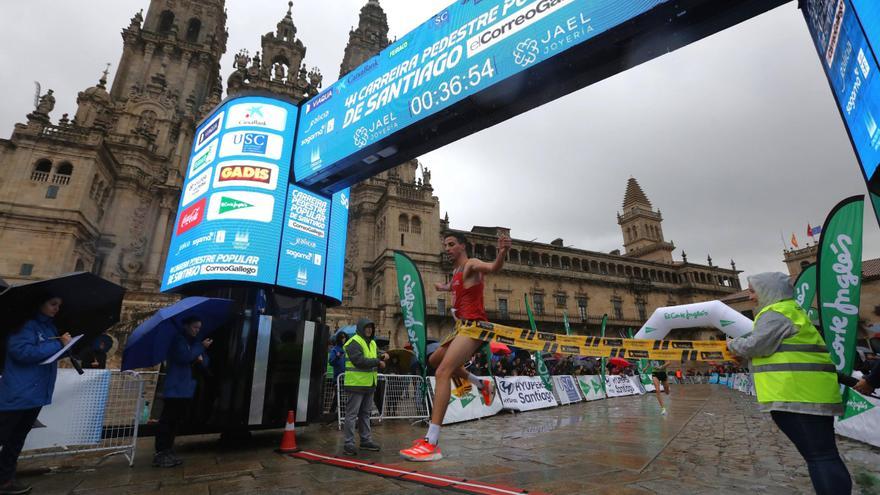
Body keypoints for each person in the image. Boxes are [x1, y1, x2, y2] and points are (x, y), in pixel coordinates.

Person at [727, 272, 850, 495]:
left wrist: (732, 345)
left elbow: (755, 346)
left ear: (769, 291)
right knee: (824, 455)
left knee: (820, 457)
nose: (751, 297)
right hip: (809, 393)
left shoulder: (775, 313)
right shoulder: (792, 312)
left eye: (753, 291)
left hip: (797, 395)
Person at [399, 232, 510, 462]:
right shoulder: (457, 273)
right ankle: (482, 383)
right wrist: (443, 288)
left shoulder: (471, 265)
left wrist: (502, 253)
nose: (447, 248)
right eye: (445, 245)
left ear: (462, 246)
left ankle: (431, 442)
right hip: (460, 328)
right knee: (434, 361)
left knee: (443, 372)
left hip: (475, 327)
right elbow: (454, 285)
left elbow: (492, 267)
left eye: (451, 244)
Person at [0, 295, 71, 495]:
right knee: (4, 434)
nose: (57, 308)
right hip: (19, 392)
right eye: (53, 304)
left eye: (59, 305)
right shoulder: (25, 326)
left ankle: (5, 479)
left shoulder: (50, 328)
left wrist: (67, 347)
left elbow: (46, 355)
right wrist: (58, 345)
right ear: (39, 303)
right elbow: (21, 352)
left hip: (36, 393)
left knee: (16, 439)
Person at [154, 316, 212, 468]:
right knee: (167, 420)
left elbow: (205, 362)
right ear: (186, 326)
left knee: (175, 421)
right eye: (194, 327)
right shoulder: (179, 340)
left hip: (186, 387)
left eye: (198, 328)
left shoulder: (193, 343)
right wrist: (201, 348)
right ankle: (160, 451)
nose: (197, 330)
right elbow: (183, 357)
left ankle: (168, 449)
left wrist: (200, 357)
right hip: (176, 387)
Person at [342, 318, 387, 456]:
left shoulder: (372, 342)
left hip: (369, 384)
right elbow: (359, 361)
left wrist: (382, 355)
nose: (369, 330)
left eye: (371, 328)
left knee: (365, 414)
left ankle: (365, 440)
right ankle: (349, 443)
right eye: (367, 327)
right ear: (361, 328)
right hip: (356, 384)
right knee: (352, 415)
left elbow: (376, 353)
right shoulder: (353, 342)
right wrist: (378, 362)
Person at [327, 332, 347, 415]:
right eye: (342, 338)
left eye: (345, 337)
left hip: (347, 377)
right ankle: (334, 414)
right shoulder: (335, 350)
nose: (344, 339)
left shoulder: (347, 349)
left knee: (341, 397)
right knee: (338, 396)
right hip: (338, 377)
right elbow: (331, 362)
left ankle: (337, 414)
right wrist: (337, 357)